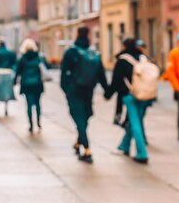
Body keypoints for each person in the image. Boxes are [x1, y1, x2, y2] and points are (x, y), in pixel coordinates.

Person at [60, 26, 108, 164]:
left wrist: (66, 89)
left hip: (74, 90)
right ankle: (78, 142)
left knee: (79, 119)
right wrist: (107, 91)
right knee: (85, 117)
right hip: (88, 90)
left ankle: (86, 149)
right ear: (89, 35)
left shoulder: (71, 52)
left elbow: (64, 73)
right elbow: (101, 74)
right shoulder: (93, 53)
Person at [105, 38, 151, 164]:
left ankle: (142, 153)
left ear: (124, 46)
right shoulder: (143, 58)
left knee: (135, 123)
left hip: (130, 95)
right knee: (134, 121)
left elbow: (116, 81)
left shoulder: (122, 60)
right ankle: (124, 146)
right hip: (145, 95)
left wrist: (108, 94)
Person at [14, 38, 45, 132]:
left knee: (29, 105)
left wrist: (14, 81)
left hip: (26, 84)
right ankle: (38, 122)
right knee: (38, 104)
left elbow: (18, 71)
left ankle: (31, 124)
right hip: (37, 83)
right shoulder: (39, 57)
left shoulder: (22, 58)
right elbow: (46, 67)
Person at [0, 38, 18, 116]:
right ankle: (6, 108)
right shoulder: (10, 53)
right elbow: (15, 63)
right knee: (7, 90)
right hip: (8, 73)